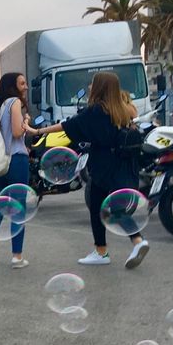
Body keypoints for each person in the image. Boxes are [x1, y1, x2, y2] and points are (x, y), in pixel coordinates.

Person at [33, 72, 150, 269]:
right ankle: (137, 241)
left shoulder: (95, 111)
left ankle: (102, 251)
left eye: (92, 84)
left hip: (103, 166)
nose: (89, 87)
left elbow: (65, 126)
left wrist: (37, 131)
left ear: (99, 87)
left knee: (96, 207)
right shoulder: (123, 110)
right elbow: (133, 116)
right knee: (116, 207)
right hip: (124, 164)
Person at [0, 73, 32, 269]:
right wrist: (26, 122)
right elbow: (17, 132)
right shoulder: (14, 102)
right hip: (16, 160)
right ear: (13, 86)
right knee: (18, 207)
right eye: (22, 83)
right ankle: (17, 257)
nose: (25, 86)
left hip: (0, 162)